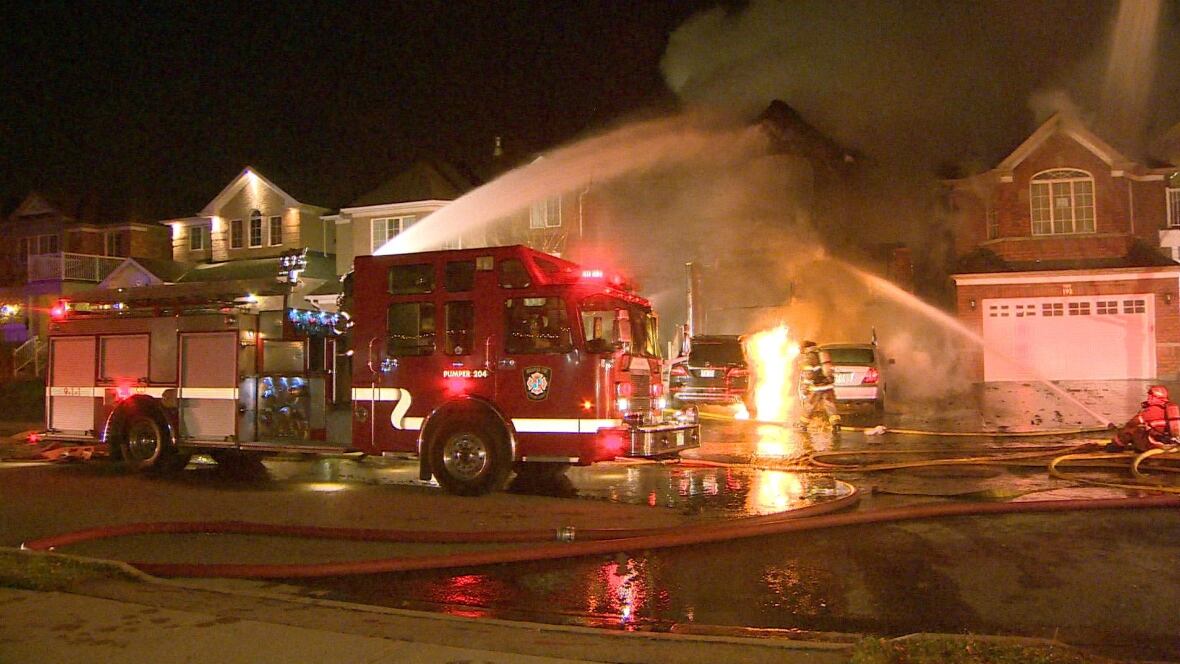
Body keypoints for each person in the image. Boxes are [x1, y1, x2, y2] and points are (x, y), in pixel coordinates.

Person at [1109, 385, 1180, 452]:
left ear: (1154, 397)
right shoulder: (1172, 409)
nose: (1148, 398)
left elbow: (1132, 423)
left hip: (1155, 445)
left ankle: (1115, 447)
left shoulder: (1151, 410)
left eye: (1150, 396)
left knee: (1130, 430)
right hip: (1170, 443)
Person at [796, 340, 841, 431]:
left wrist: (805, 388)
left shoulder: (809, 358)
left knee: (810, 405)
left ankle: (802, 425)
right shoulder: (821, 354)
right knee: (830, 405)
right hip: (828, 385)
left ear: (806, 348)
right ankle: (836, 424)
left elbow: (809, 374)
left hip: (817, 387)